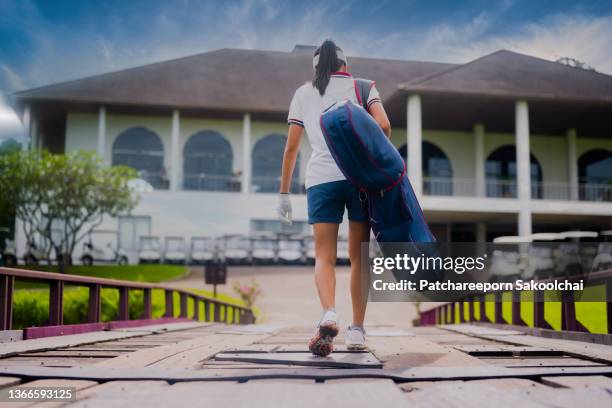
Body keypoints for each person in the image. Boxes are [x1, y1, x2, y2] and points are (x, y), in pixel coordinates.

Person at [277, 39, 391, 356]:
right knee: (358, 257)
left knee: (323, 256)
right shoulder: (364, 87)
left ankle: (329, 312)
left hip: (321, 181)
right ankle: (357, 331)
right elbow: (383, 124)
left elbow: (291, 149)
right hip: (358, 178)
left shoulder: (303, 93)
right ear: (345, 66)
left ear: (316, 69)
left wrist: (284, 194)